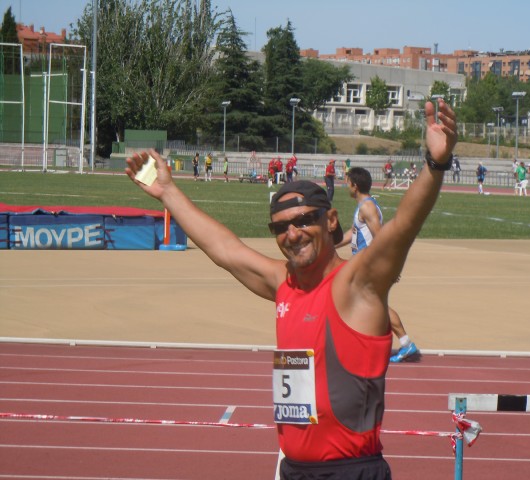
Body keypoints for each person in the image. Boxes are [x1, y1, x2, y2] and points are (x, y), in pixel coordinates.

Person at [124, 97, 457, 479]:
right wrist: (168, 192)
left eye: (303, 220)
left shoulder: (355, 285)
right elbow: (225, 249)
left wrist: (435, 165)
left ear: (330, 220)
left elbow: (403, 226)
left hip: (350, 472)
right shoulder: (284, 283)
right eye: (280, 227)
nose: (292, 233)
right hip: (294, 470)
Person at [338, 166, 419, 362]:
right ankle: (395, 343)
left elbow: (382, 237)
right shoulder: (363, 206)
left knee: (374, 305)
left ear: (355, 186)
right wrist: (331, 245)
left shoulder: (367, 207)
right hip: (362, 264)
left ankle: (405, 343)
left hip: (369, 265)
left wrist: (390, 265)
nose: (346, 186)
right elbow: (352, 234)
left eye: (347, 182)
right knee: (367, 304)